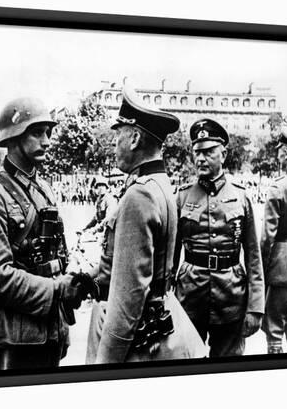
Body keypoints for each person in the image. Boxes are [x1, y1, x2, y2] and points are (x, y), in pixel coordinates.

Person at [90, 78, 205, 364]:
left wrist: (106, 359)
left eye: (119, 135)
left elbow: (129, 295)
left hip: (141, 339)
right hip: (163, 313)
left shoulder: (139, 194)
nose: (114, 143)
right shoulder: (161, 185)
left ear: (135, 139)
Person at [0, 97, 85, 370]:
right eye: (36, 132)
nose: (46, 141)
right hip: (14, 340)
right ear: (13, 138)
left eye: (48, 133)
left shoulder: (43, 188)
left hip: (51, 331)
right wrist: (58, 290)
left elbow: (58, 253)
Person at [173, 118, 265, 357]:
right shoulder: (182, 197)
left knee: (228, 368)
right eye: (197, 152)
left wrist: (255, 307)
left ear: (223, 154)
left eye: (208, 152)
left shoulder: (241, 197)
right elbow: (170, 256)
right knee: (184, 363)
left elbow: (254, 257)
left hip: (231, 296)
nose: (200, 158)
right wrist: (164, 298)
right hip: (190, 295)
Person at [261, 127, 287, 353]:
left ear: (285, 153)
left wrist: (262, 271)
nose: (277, 156)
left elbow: (267, 238)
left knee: (274, 329)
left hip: (282, 269)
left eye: (279, 152)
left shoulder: (279, 187)